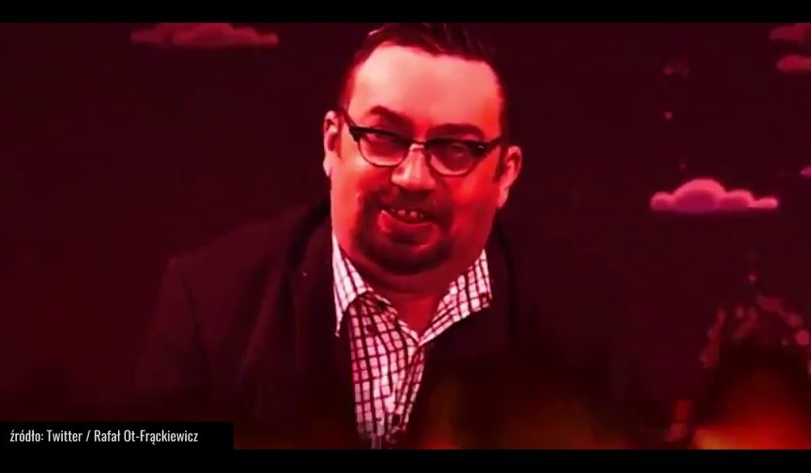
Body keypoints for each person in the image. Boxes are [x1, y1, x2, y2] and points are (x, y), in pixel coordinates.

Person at [135, 23, 626, 449]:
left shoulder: (579, 324)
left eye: (455, 149)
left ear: (505, 173)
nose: (413, 177)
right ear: (332, 143)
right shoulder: (212, 306)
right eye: (384, 137)